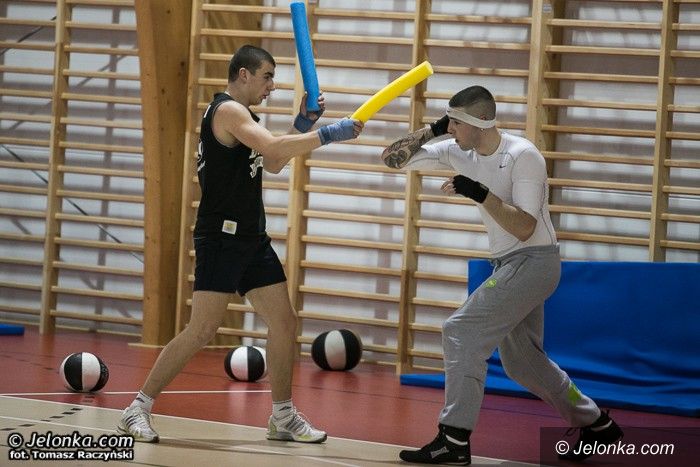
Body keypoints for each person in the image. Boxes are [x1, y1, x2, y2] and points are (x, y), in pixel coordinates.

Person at [118, 44, 363, 444]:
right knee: (201, 330)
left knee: (283, 322)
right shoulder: (228, 110)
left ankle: (282, 416)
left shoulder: (246, 117)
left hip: (251, 237)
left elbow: (273, 161)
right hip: (222, 237)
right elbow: (272, 149)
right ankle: (137, 409)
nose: (272, 85)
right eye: (267, 76)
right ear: (244, 74)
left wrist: (303, 123)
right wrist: (329, 133)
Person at [381, 85, 622, 465]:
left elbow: (525, 227)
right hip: (509, 265)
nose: (451, 130)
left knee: (460, 331)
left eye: (456, 123)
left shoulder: (522, 156)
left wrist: (479, 193)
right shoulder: (458, 150)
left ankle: (454, 439)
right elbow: (391, 159)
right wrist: (433, 130)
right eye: (448, 123)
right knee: (523, 363)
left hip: (535, 262)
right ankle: (597, 425)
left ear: (478, 121)